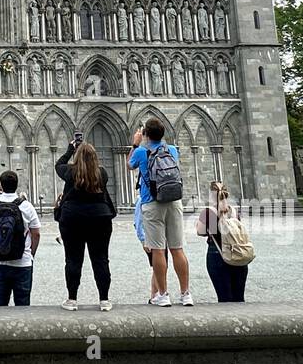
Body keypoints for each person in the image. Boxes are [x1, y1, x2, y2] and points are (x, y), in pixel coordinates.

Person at [128, 118, 191, 306]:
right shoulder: (172, 150)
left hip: (152, 204)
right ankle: (186, 293)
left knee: (158, 250)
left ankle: (163, 295)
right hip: (173, 202)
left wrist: (135, 142)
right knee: (177, 248)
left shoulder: (140, 152)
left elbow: (129, 165)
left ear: (146, 134)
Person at [55, 137, 116, 311]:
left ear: (78, 156)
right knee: (101, 259)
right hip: (100, 218)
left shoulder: (70, 172)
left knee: (73, 259)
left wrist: (70, 150)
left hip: (72, 218)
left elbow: (58, 164)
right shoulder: (102, 173)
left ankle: (72, 299)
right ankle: (104, 300)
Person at [0, 170, 41, 306]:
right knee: (23, 303)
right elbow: (36, 233)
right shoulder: (26, 205)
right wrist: (31, 253)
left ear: (1, 185)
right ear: (17, 185)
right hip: (22, 261)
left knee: (0, 303)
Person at [196, 181, 248, 302]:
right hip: (237, 253)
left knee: (224, 298)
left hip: (217, 254)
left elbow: (201, 231)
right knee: (239, 298)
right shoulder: (233, 211)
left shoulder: (209, 212)